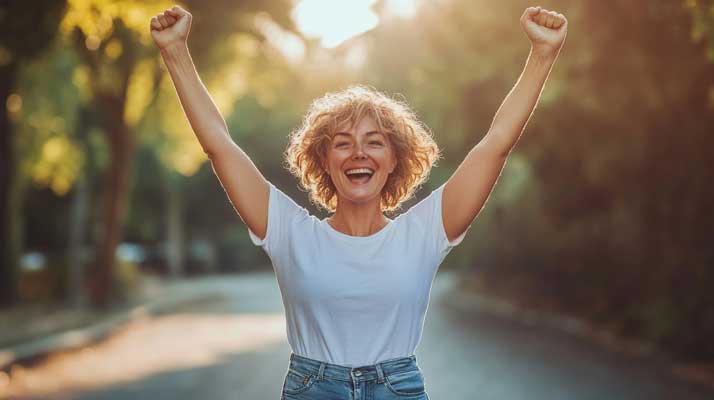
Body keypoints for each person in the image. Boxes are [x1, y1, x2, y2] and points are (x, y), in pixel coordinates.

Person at [150, 5, 567, 399]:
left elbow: (494, 145)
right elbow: (220, 147)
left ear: (394, 161)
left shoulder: (423, 232)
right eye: (343, 144)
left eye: (374, 143)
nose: (359, 154)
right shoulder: (290, 232)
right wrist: (175, 52)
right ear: (324, 162)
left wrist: (542, 55)